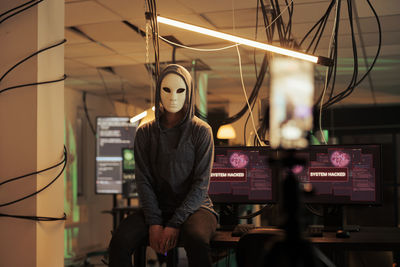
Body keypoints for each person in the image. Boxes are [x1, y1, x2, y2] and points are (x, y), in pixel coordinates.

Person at [108, 64, 218, 267]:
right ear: (158, 90)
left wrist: (175, 223)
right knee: (120, 241)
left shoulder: (201, 131)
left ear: (190, 92)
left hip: (197, 209)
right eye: (166, 89)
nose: (173, 96)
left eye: (180, 90)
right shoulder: (145, 132)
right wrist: (155, 222)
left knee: (196, 238)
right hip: (158, 208)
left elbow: (201, 185)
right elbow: (143, 180)